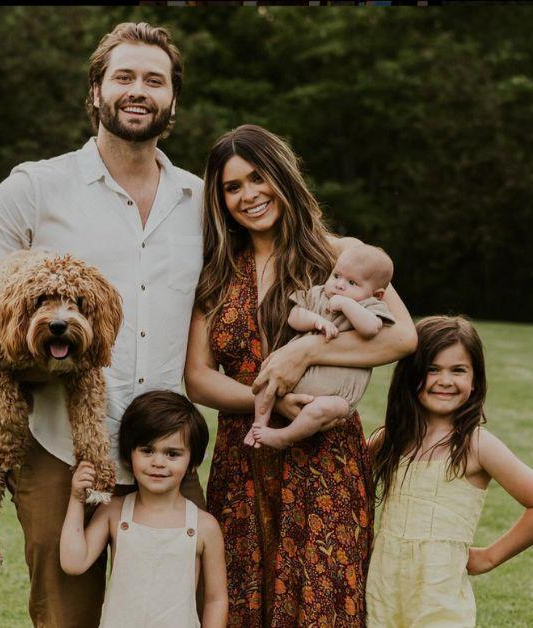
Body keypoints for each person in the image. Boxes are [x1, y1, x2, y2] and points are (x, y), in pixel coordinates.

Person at [0, 22, 207, 627]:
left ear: (173, 100)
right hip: (54, 445)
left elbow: (289, 244)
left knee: (172, 613)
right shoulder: (35, 187)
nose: (138, 90)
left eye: (154, 80)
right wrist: (37, 367)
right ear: (96, 91)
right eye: (123, 77)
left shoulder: (201, 201)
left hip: (165, 447)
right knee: (66, 616)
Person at [184, 124, 417, 626]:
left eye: (257, 177)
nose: (249, 194)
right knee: (243, 604)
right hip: (245, 451)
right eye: (232, 186)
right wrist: (263, 397)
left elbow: (402, 338)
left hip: (324, 459)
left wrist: (305, 351)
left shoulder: (339, 255)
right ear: (219, 199)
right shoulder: (216, 272)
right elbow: (198, 379)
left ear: (282, 176)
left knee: (321, 603)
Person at [365, 316, 533, 627]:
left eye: (458, 370)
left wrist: (489, 557)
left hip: (439, 596)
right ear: (411, 374)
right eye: (432, 369)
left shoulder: (476, 445)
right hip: (382, 589)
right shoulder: (388, 439)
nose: (445, 380)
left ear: (475, 380)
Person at [60, 391, 228, 628]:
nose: (158, 462)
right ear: (129, 456)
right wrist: (77, 499)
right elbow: (73, 563)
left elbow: (215, 599)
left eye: (172, 454)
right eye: (147, 450)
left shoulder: (204, 526)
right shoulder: (114, 512)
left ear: (192, 463)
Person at [247, 243, 397, 450]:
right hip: (293, 378)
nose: (340, 285)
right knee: (266, 375)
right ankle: (259, 425)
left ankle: (284, 437)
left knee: (320, 410)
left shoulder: (369, 306)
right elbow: (294, 317)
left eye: (352, 282)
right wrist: (316, 321)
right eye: (336, 276)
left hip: (336, 397)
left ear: (377, 294)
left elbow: (371, 328)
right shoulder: (317, 294)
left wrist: (347, 305)